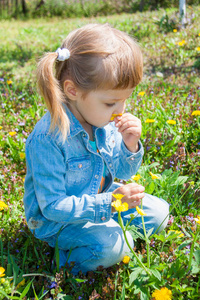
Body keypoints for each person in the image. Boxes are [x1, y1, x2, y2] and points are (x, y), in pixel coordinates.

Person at [23, 23, 169, 275]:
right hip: (57, 222)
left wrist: (130, 144)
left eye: (125, 99)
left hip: (101, 198)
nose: (121, 110)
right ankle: (66, 262)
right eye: (111, 102)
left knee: (160, 214)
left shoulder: (101, 120)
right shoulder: (48, 138)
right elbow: (53, 207)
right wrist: (109, 204)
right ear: (73, 90)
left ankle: (108, 233)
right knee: (118, 247)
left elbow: (122, 169)